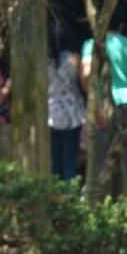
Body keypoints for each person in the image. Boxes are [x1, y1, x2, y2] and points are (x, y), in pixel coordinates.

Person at [80, 11, 127, 200]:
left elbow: (85, 73)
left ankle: (91, 205)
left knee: (99, 159)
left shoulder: (92, 45)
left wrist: (95, 102)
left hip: (105, 106)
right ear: (120, 27)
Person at [47, 19, 86, 181]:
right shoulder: (75, 58)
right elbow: (83, 83)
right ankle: (70, 198)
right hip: (72, 113)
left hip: (51, 112)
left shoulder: (43, 61)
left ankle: (56, 198)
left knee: (55, 162)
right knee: (70, 160)